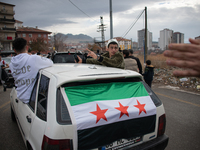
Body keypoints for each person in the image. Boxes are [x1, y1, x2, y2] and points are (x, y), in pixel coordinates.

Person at [9, 38, 53, 103]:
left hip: (20, 97)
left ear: (14, 50)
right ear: (27, 47)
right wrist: (39, 57)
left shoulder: (11, 64)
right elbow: (50, 62)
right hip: (32, 100)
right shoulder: (34, 59)